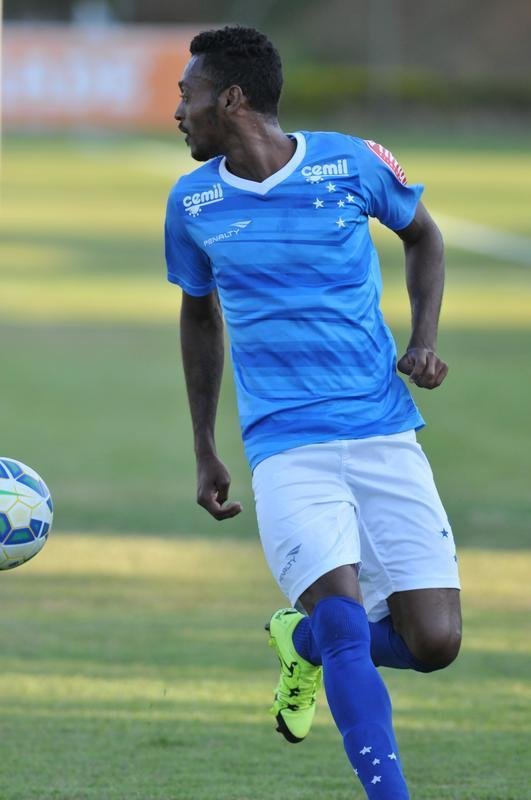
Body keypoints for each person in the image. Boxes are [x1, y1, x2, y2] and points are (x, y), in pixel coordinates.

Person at [165, 25, 461, 800]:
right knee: (343, 624)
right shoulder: (192, 202)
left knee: (434, 642)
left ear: (230, 99)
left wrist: (422, 341)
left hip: (384, 429)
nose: (177, 111)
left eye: (186, 95)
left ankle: (294, 642)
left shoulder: (351, 162)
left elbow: (423, 238)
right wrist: (204, 445)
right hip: (286, 447)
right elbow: (200, 317)